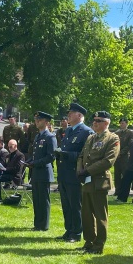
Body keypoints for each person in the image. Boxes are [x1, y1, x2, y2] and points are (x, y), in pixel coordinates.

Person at [77, 111, 120, 254]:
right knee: (86, 215)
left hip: (99, 181)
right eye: (94, 120)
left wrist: (88, 171)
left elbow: (108, 161)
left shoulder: (112, 138)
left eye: (99, 120)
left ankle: (98, 245)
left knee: (100, 215)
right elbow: (82, 156)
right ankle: (89, 241)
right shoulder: (91, 138)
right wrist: (80, 171)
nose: (95, 122)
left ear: (107, 123)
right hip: (87, 181)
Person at [55, 103, 93, 242]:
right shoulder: (69, 131)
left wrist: (67, 155)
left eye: (71, 113)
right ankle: (69, 229)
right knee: (66, 204)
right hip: (64, 172)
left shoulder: (86, 132)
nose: (68, 116)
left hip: (75, 174)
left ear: (79, 115)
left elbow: (87, 155)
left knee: (75, 204)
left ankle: (76, 232)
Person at [24, 112, 56, 231]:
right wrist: (29, 161)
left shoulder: (50, 137)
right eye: (36, 119)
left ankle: (44, 225)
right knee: (36, 199)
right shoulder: (38, 136)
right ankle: (37, 224)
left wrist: (35, 163)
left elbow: (51, 156)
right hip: (36, 171)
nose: (37, 121)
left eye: (40, 120)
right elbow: (35, 154)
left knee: (43, 200)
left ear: (47, 122)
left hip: (44, 172)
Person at [113, 118, 133, 195]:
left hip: (125, 157)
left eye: (123, 123)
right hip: (117, 157)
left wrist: (121, 153)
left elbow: (129, 145)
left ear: (126, 124)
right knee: (117, 175)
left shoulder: (130, 133)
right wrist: (116, 153)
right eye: (121, 123)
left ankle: (125, 190)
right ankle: (117, 190)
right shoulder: (116, 133)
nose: (122, 124)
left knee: (125, 174)